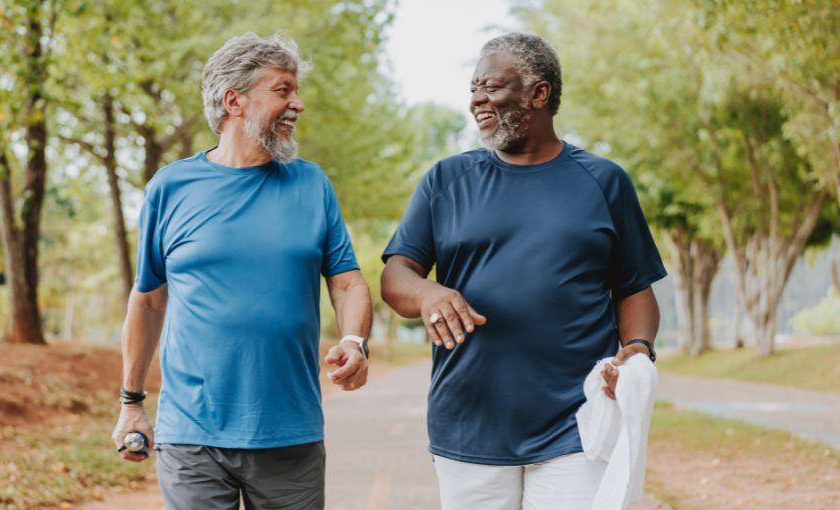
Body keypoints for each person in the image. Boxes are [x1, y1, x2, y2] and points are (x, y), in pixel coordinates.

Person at [380, 32, 666, 510]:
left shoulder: (604, 181)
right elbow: (396, 276)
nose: (476, 100)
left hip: (576, 424)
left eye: (490, 87)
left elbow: (635, 288)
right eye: (473, 88)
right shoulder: (446, 180)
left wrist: (637, 351)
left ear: (539, 93)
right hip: (468, 423)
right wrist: (428, 293)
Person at [111, 32, 373, 510]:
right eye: (282, 90)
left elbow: (347, 281)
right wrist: (131, 404)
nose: (298, 104)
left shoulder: (312, 184)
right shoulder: (171, 188)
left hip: (289, 432)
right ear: (234, 101)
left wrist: (354, 341)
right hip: (192, 433)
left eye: (297, 91)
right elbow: (147, 300)